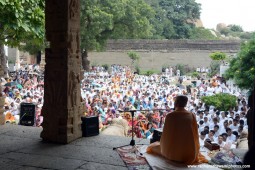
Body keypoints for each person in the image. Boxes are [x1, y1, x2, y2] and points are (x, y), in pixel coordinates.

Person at [146, 95, 208, 165]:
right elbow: (195, 135)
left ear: (176, 103)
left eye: (175, 101)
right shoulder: (191, 115)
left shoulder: (170, 116)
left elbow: (166, 136)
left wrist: (163, 146)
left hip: (172, 154)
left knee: (151, 147)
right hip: (188, 154)